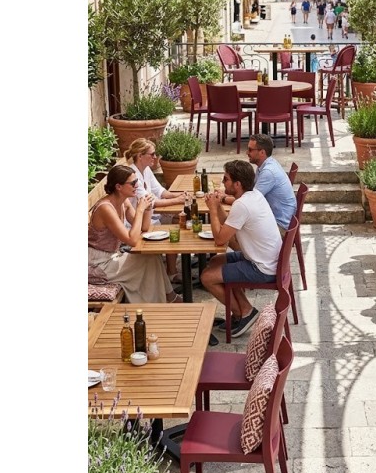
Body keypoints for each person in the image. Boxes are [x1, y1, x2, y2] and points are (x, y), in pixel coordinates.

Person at [200, 160, 282, 338]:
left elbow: (220, 240)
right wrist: (218, 206)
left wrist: (212, 210)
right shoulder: (254, 195)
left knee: (206, 277)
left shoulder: (242, 205)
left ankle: (243, 313)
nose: (223, 183)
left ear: (237, 184)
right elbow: (227, 225)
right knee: (216, 261)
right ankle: (243, 310)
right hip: (265, 259)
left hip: (262, 268)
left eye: (226, 179)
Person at [88, 165, 181, 304]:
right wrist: (140, 210)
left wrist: (148, 208)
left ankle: (165, 298)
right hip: (97, 264)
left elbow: (144, 227)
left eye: (137, 181)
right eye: (133, 183)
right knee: (148, 261)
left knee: (152, 257)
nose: (137, 185)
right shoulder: (106, 208)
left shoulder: (123, 201)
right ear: (118, 187)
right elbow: (131, 240)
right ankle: (164, 300)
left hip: (112, 257)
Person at [124, 137, 185, 282]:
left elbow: (160, 191)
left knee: (178, 217)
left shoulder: (146, 170)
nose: (155, 157)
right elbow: (150, 202)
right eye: (152, 154)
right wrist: (177, 200)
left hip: (148, 216)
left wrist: (179, 195)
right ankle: (171, 271)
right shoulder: (133, 176)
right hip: (135, 222)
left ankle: (171, 268)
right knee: (172, 228)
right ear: (140, 156)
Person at [219, 134, 296, 232]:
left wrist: (223, 199)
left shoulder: (268, 172)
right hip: (274, 219)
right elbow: (249, 190)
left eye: (250, 150)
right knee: (232, 222)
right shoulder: (265, 165)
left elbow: (250, 201)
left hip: (278, 225)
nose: (247, 152)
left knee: (230, 227)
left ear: (262, 152)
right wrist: (227, 192)